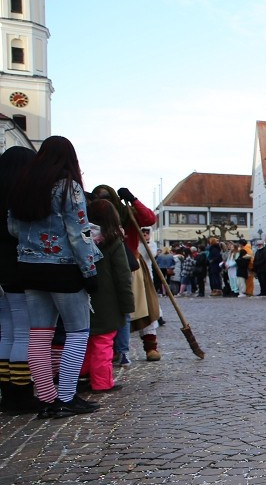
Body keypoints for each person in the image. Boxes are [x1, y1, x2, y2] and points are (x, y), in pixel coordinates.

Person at [8, 136, 101, 418]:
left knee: (38, 334)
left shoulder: (22, 186)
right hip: (64, 268)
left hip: (29, 266)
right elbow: (79, 233)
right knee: (77, 332)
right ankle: (67, 396)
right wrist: (90, 270)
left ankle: (47, 397)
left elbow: (13, 227)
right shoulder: (68, 188)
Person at [91, 185, 161, 361]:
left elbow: (150, 218)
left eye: (106, 197)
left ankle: (150, 346)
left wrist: (133, 199)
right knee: (109, 308)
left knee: (143, 306)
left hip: (130, 264)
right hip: (101, 265)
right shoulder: (93, 213)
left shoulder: (126, 212)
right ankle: (113, 349)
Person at [82, 200, 134, 393]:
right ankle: (102, 382)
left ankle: (81, 376)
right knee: (103, 341)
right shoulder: (113, 240)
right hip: (107, 300)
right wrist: (127, 304)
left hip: (83, 297)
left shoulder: (79, 237)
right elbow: (122, 276)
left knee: (83, 340)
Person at [0, 147, 35, 413]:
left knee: (6, 333)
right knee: (23, 333)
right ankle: (21, 393)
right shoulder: (20, 199)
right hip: (17, 269)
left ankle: (7, 391)